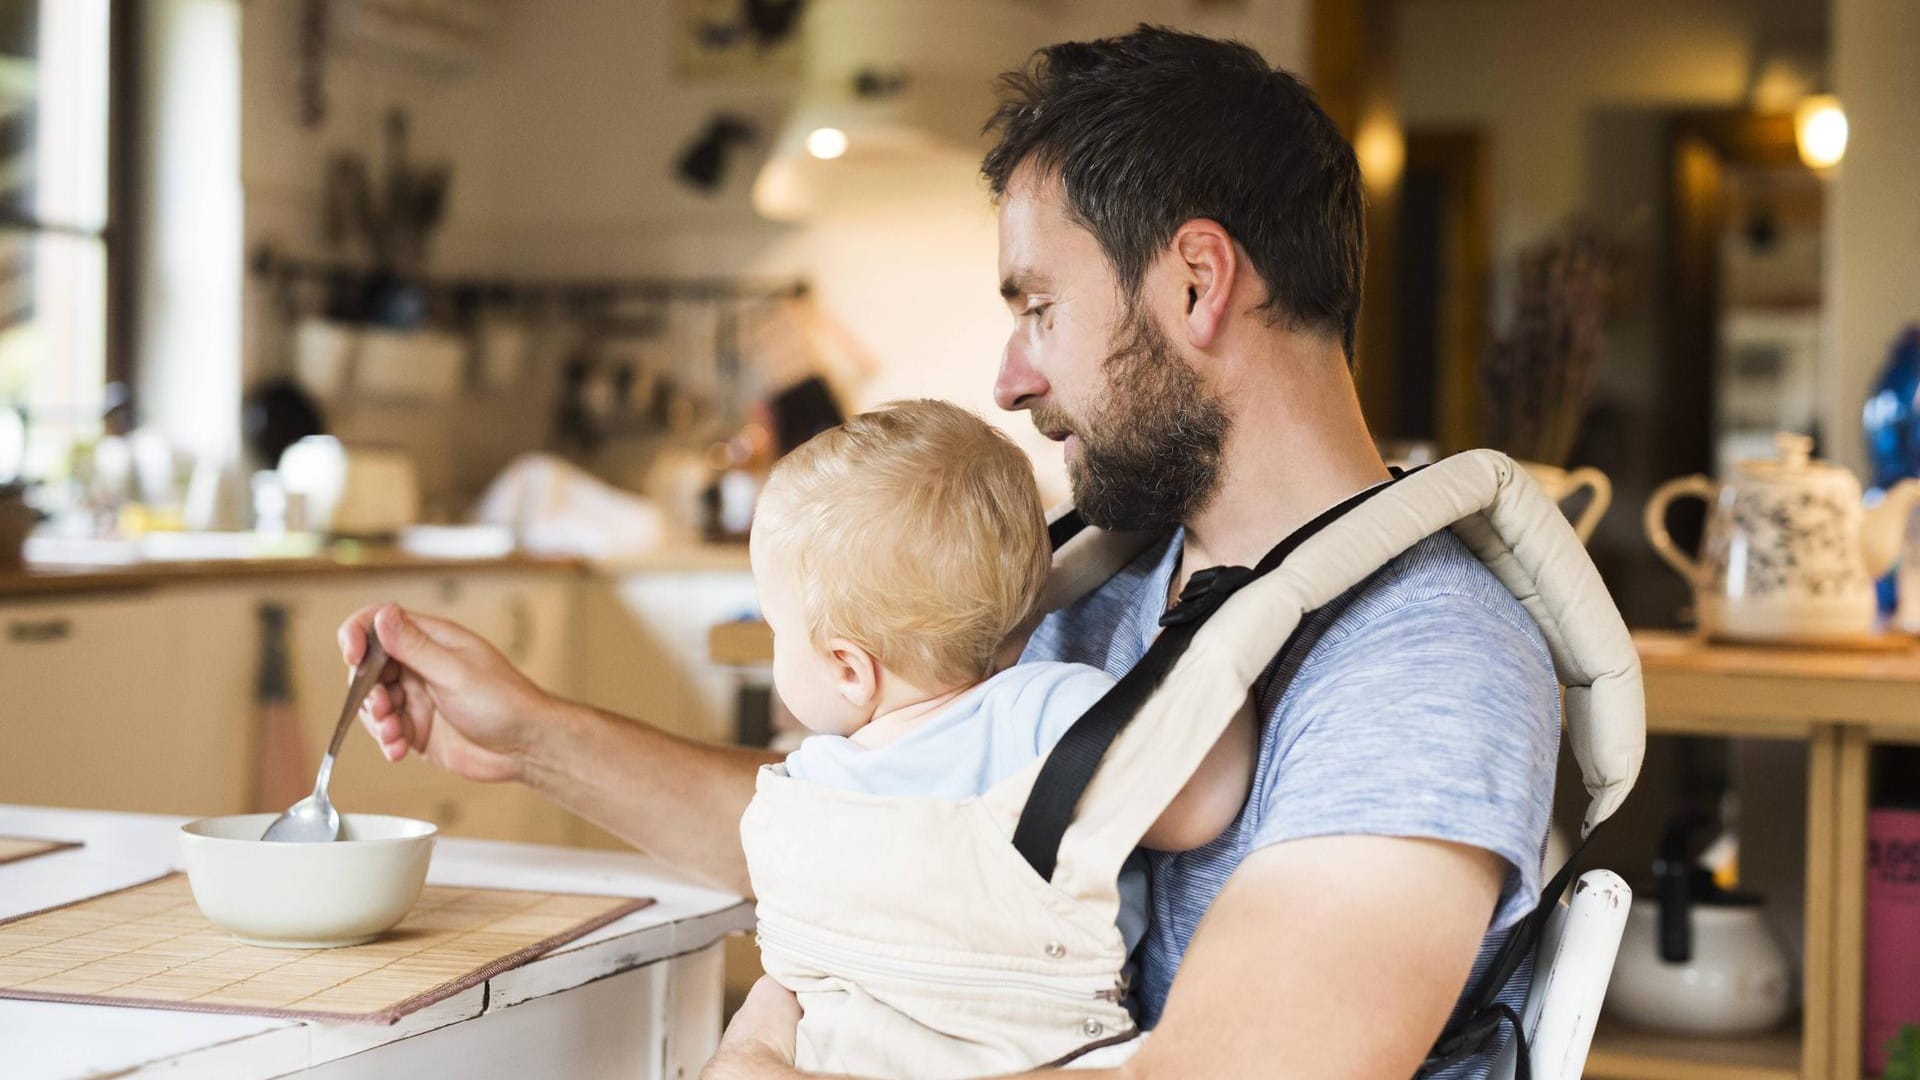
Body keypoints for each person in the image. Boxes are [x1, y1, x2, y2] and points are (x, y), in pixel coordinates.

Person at [339, 26, 1558, 1078]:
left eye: (1037, 306)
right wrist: (533, 732)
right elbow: (878, 842)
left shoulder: (1425, 663)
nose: (1010, 376)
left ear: (1196, 282)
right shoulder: (1108, 579)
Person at [742, 398, 1252, 1072]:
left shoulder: (813, 784)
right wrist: (1224, 649)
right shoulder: (1044, 710)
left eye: (777, 631)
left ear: (849, 669)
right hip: (1036, 1054)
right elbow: (1199, 806)